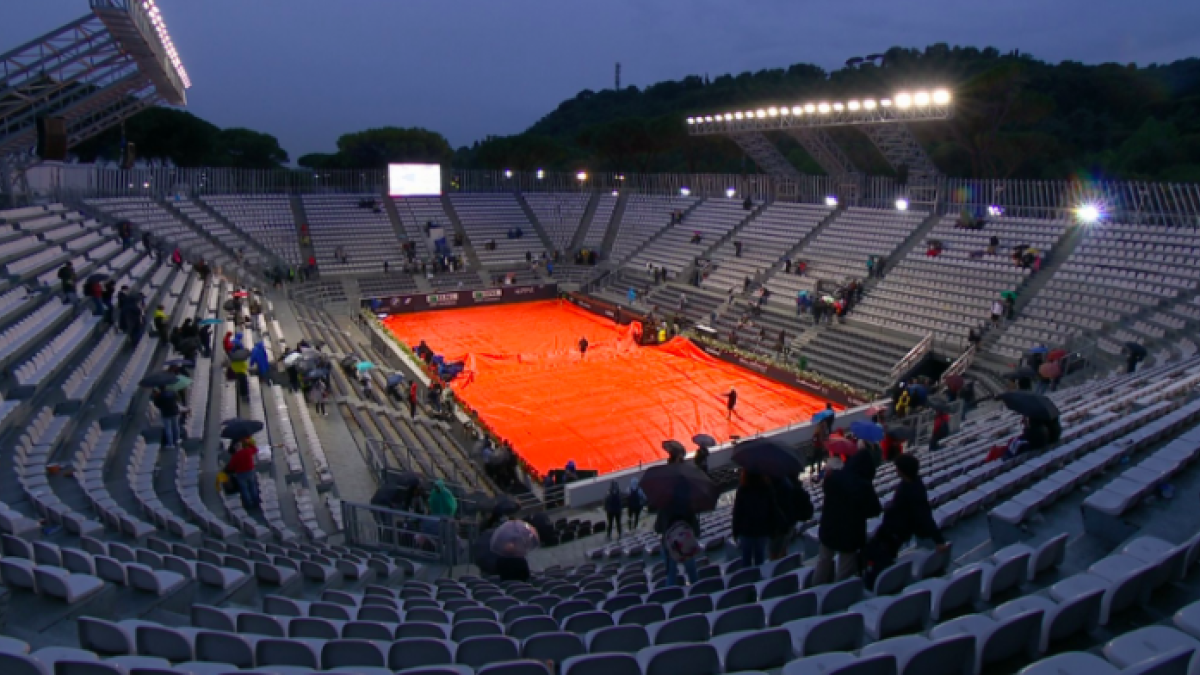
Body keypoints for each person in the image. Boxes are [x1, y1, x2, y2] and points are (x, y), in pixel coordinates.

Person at [864, 454, 950, 586]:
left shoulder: (913, 491)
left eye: (898, 468)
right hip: (890, 529)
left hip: (895, 532)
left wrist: (939, 540)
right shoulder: (909, 484)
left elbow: (925, 516)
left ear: (904, 470)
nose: (896, 470)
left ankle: (880, 582)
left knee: (880, 555)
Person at [813, 450, 882, 584]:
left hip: (829, 529)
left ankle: (815, 588)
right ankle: (839, 593)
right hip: (850, 534)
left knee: (823, 561)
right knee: (844, 570)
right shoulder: (864, 486)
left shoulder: (834, 477)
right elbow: (874, 510)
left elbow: (826, 490)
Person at [732, 470, 782, 569]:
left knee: (746, 561)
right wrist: (773, 530)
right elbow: (772, 509)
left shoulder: (742, 489)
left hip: (746, 531)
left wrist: (735, 532)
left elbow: (737, 512)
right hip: (762, 530)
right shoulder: (767, 488)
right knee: (760, 560)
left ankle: (748, 577)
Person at [656, 483, 700, 587]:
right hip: (686, 544)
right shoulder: (687, 505)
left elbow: (657, 528)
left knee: (671, 575)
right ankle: (697, 590)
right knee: (692, 573)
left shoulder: (664, 506)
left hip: (670, 546)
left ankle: (671, 595)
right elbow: (696, 530)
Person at [225, 438, 261, 510]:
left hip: (241, 474)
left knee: (244, 489)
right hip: (250, 471)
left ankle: (248, 504)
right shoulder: (247, 451)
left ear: (235, 447)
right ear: (241, 445)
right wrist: (249, 442)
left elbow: (231, 467)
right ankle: (256, 503)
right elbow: (255, 449)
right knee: (253, 487)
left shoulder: (235, 456)